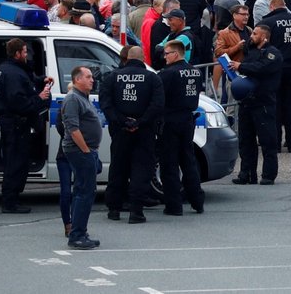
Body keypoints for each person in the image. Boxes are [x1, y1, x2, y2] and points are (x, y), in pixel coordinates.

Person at [100, 46, 164, 224]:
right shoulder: (152, 78)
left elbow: (106, 104)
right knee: (141, 170)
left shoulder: (112, 77)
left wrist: (122, 121)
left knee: (118, 167)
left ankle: (114, 209)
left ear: (127, 58)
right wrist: (140, 122)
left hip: (120, 131)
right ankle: (136, 211)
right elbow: (157, 105)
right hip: (144, 132)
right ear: (143, 58)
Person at [0, 39, 52, 213]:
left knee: (16, 161)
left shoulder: (8, 68)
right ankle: (10, 202)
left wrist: (42, 80)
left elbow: (28, 81)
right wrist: (39, 98)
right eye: (25, 52)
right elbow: (19, 103)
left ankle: (12, 199)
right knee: (16, 163)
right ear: (17, 53)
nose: (27, 55)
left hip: (14, 123)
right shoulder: (13, 74)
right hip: (16, 124)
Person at [230, 25, 284, 184]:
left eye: (255, 34)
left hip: (263, 103)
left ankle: (268, 175)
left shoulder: (273, 54)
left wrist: (241, 66)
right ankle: (246, 174)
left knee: (268, 141)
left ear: (264, 37)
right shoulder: (251, 51)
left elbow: (261, 68)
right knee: (245, 141)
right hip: (247, 102)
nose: (251, 36)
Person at [157, 40, 206, 215]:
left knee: (169, 164)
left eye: (167, 54)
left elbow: (159, 97)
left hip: (170, 120)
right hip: (187, 119)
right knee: (188, 161)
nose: (164, 57)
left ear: (176, 54)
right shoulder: (195, 71)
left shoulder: (168, 74)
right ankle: (197, 201)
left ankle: (173, 206)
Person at [61, 66, 102, 249]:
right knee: (85, 192)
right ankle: (77, 235)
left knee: (82, 191)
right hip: (79, 151)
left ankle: (80, 231)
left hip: (86, 150)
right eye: (88, 77)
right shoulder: (72, 99)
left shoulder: (82, 98)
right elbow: (73, 128)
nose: (92, 80)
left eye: (92, 77)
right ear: (77, 80)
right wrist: (86, 150)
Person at [261, 0, 291, 153]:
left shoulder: (268, 23)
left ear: (271, 7)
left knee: (275, 105)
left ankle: (275, 143)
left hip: (274, 69)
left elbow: (261, 48)